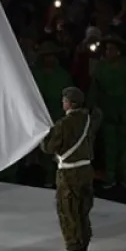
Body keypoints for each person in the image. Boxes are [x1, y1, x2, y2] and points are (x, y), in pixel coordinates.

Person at [41, 87, 103, 251]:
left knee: (69, 213)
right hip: (86, 170)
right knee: (83, 212)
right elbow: (98, 114)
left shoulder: (63, 124)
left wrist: (44, 138)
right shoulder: (89, 119)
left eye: (64, 100)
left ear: (68, 102)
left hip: (69, 174)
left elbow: (49, 148)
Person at [87, 34, 126, 189]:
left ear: (119, 51)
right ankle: (111, 177)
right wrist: (91, 106)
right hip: (108, 110)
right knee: (110, 146)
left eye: (112, 49)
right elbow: (95, 88)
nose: (109, 52)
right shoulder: (101, 67)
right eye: (107, 49)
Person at [31, 41, 75, 187]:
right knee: (45, 147)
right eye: (46, 56)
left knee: (60, 146)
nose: (49, 59)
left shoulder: (62, 75)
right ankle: (48, 176)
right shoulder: (35, 74)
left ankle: (59, 176)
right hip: (42, 114)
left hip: (58, 114)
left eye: (51, 56)